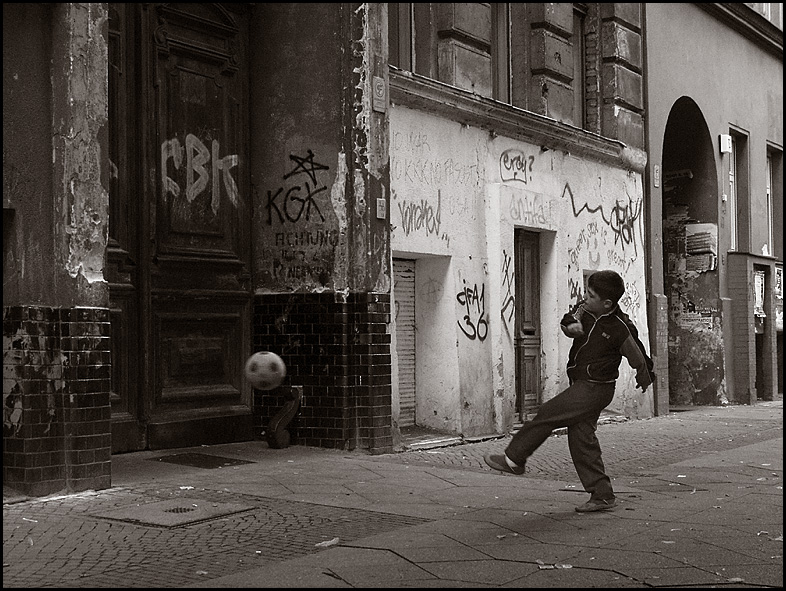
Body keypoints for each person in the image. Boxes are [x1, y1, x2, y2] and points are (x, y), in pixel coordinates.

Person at [484, 269, 654, 512]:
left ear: (607, 303)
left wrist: (644, 376)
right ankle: (602, 495)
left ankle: (514, 459)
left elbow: (637, 354)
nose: (585, 297)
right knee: (582, 439)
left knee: (548, 413)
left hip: (596, 388)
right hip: (581, 383)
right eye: (586, 292)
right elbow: (569, 318)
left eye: (591, 295)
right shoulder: (585, 310)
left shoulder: (619, 327)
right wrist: (570, 326)